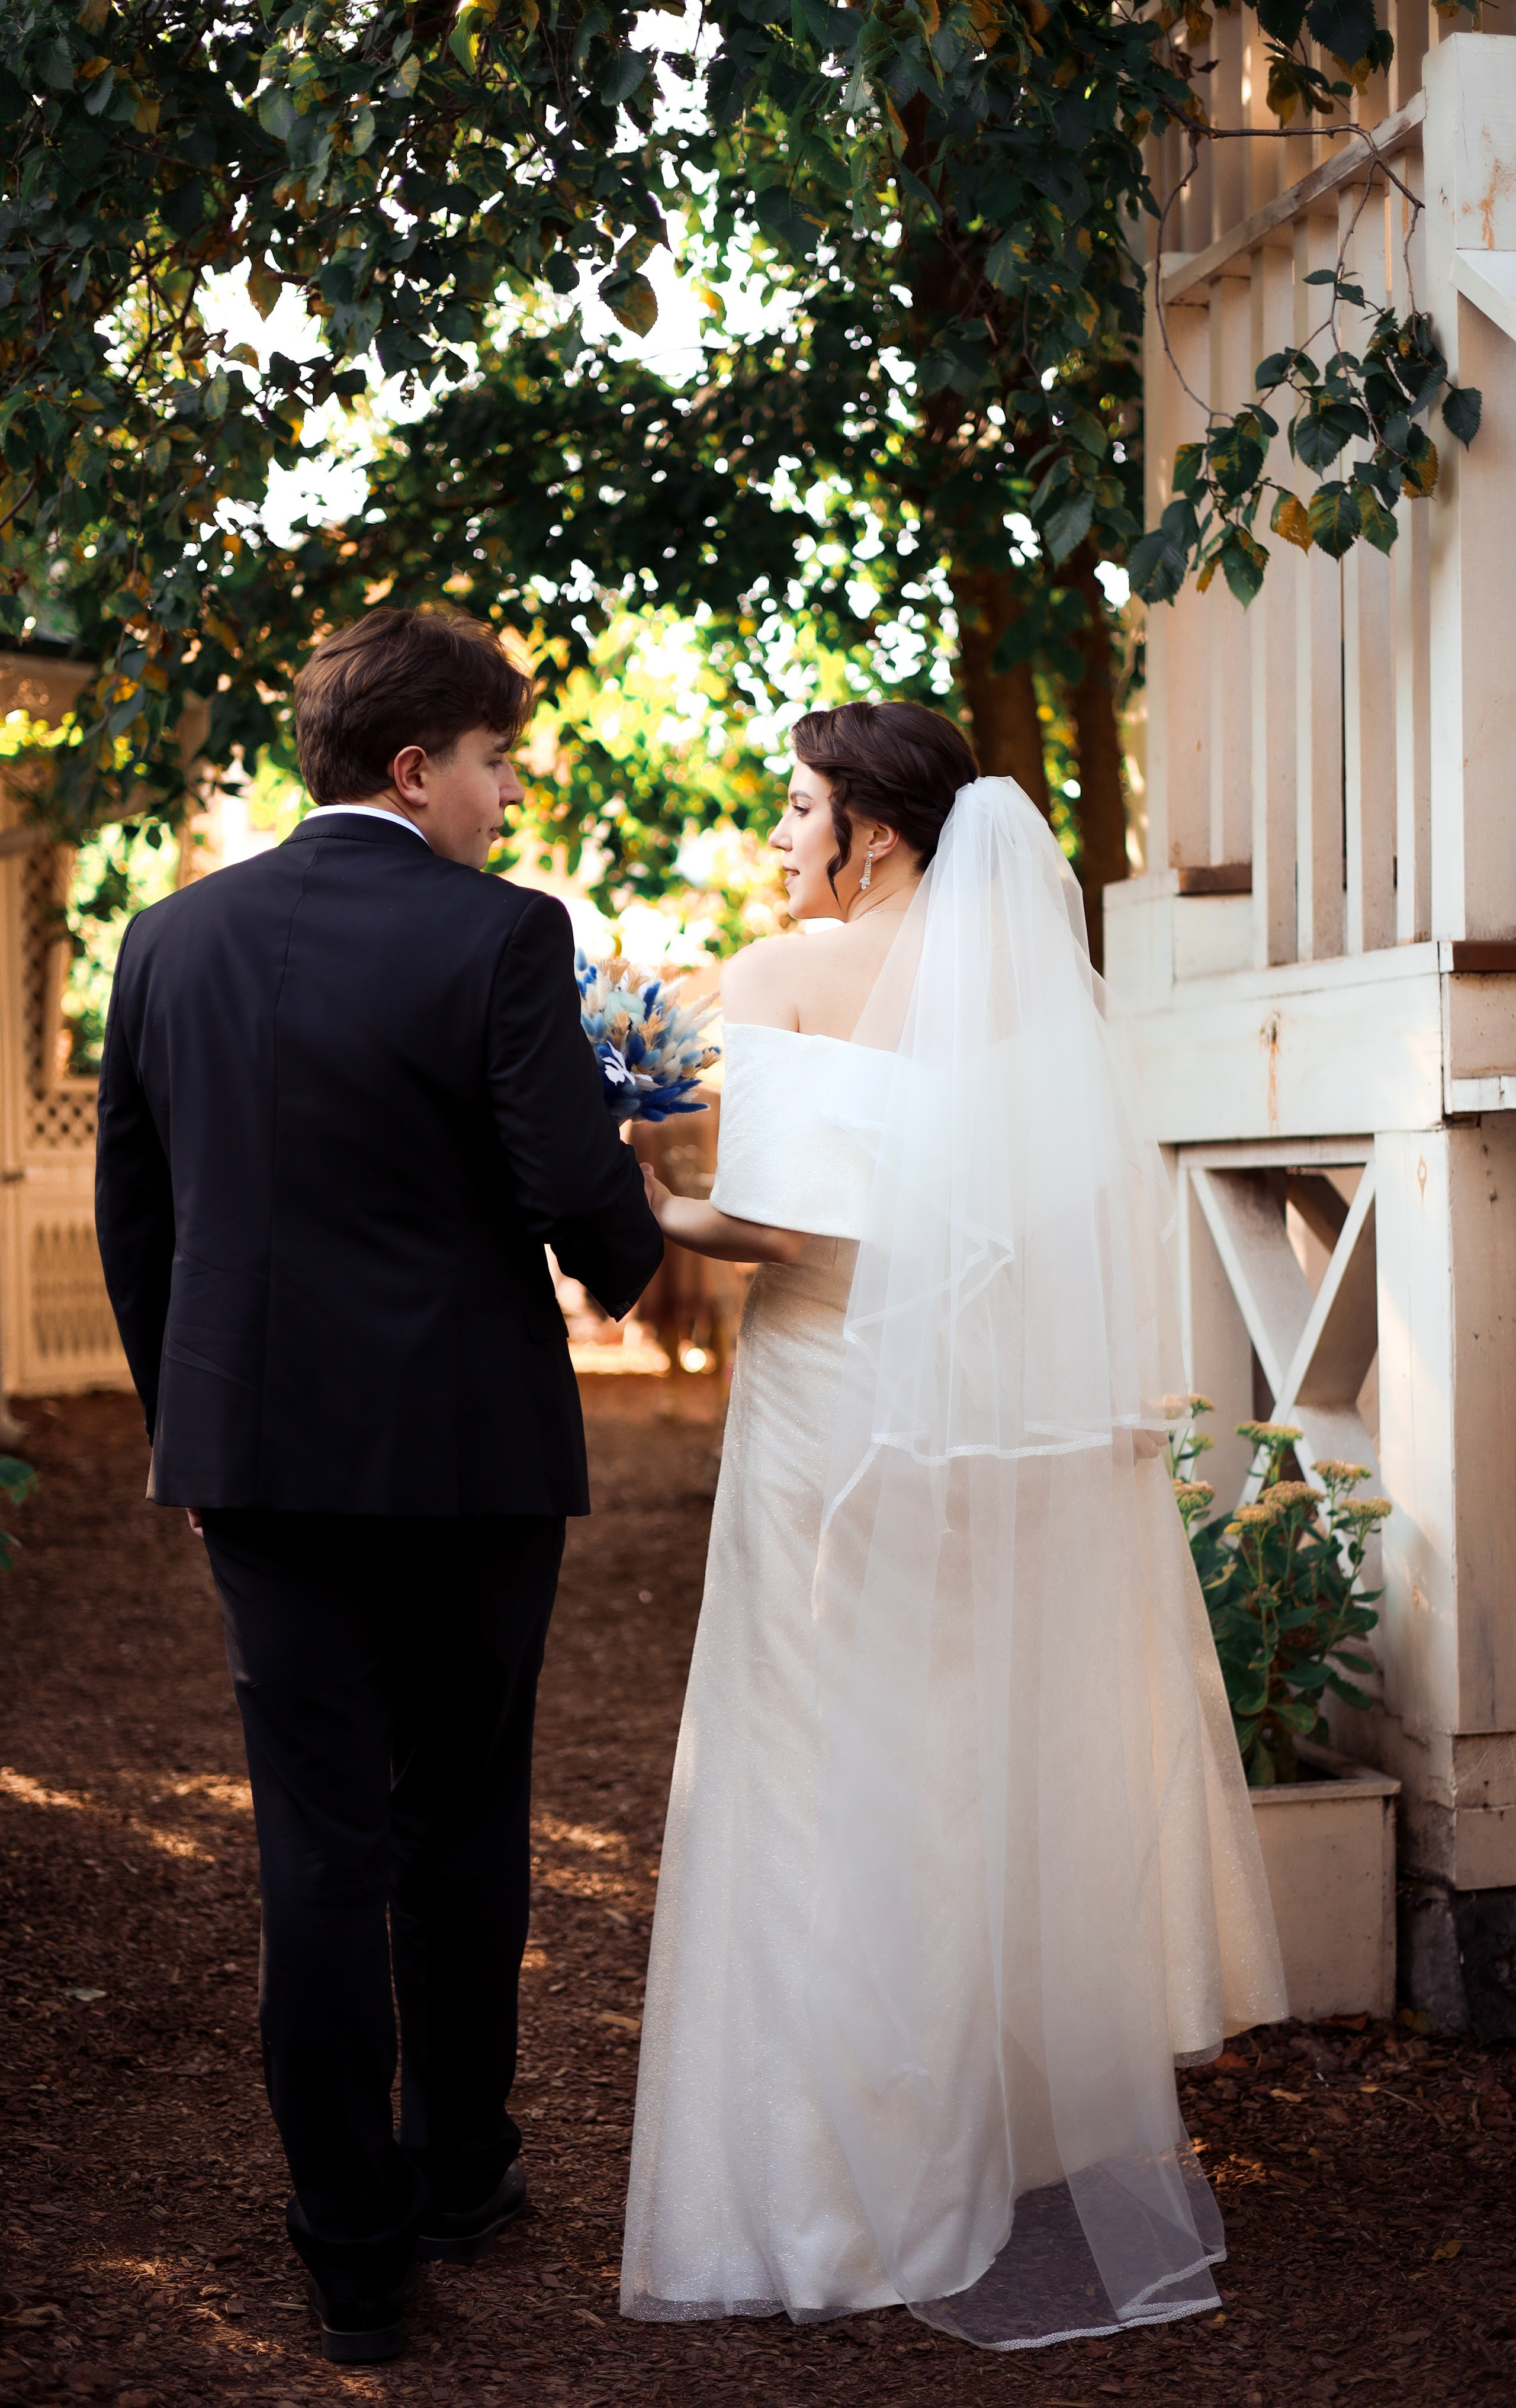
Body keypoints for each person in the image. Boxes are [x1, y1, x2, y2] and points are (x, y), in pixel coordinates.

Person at [623, 700, 1287, 2350]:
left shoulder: (784, 976)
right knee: (935, 1773)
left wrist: (641, 1194)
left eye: (798, 809)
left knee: (795, 1776)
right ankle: (963, 2169)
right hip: (967, 1425)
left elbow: (775, 1223)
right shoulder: (1028, 1000)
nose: (782, 841)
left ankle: (829, 2196)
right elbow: (1047, 1230)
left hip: (821, 1416)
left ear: (879, 830)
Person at [94, 606, 663, 2364]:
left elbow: (140, 1221)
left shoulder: (169, 937)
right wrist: (633, 1228)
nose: (505, 798)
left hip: (255, 1459)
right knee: (462, 1815)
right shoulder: (502, 937)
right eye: (496, 763)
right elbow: (591, 1213)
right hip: (470, 1461)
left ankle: (352, 2250)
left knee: (317, 1841)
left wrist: (189, 1427)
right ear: (418, 767)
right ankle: (463, 2168)